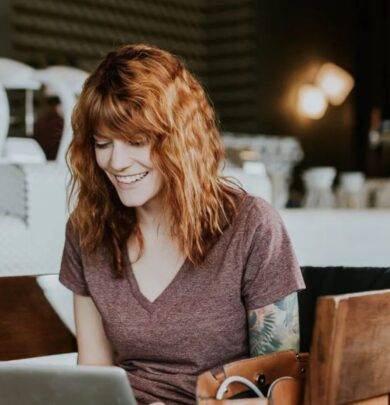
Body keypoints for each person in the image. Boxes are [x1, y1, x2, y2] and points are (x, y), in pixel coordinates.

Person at [59, 44, 305, 405]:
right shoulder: (87, 230)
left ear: (180, 140)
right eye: (102, 143)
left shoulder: (251, 226)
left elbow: (281, 392)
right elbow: (94, 370)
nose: (116, 162)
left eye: (137, 142)